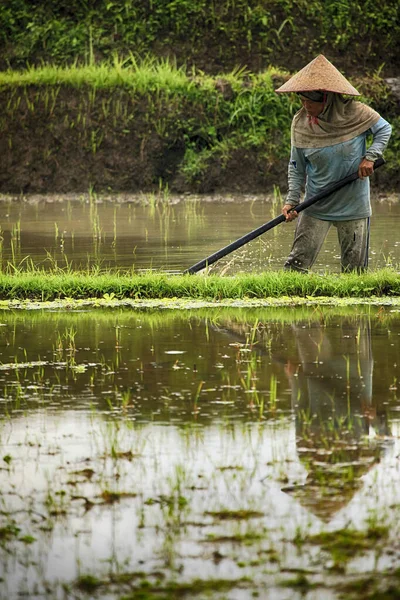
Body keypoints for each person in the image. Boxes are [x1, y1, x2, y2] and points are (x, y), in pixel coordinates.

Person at [275, 55, 392, 273]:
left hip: (353, 203)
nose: (306, 107)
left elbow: (384, 129)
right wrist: (292, 200)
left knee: (355, 272)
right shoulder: (300, 123)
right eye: (302, 101)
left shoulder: (356, 113)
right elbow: (296, 166)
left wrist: (371, 157)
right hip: (316, 203)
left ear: (327, 99)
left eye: (311, 102)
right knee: (295, 268)